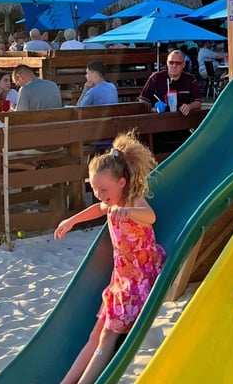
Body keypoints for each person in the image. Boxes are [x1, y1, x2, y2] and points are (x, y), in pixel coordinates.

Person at [54, 131, 166, 384]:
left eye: (103, 189)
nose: (99, 194)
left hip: (138, 278)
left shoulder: (131, 200)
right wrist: (71, 220)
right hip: (121, 277)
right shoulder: (111, 201)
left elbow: (151, 217)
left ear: (122, 182)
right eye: (94, 188)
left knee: (106, 338)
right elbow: (98, 209)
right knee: (95, 335)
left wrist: (127, 211)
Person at [139, 49, 202, 116]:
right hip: (158, 119)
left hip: (182, 118)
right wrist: (152, 109)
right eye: (171, 62)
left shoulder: (190, 80)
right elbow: (142, 99)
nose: (174, 66)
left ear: (183, 64)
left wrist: (189, 106)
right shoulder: (155, 78)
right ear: (167, 63)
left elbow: (198, 102)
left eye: (178, 63)